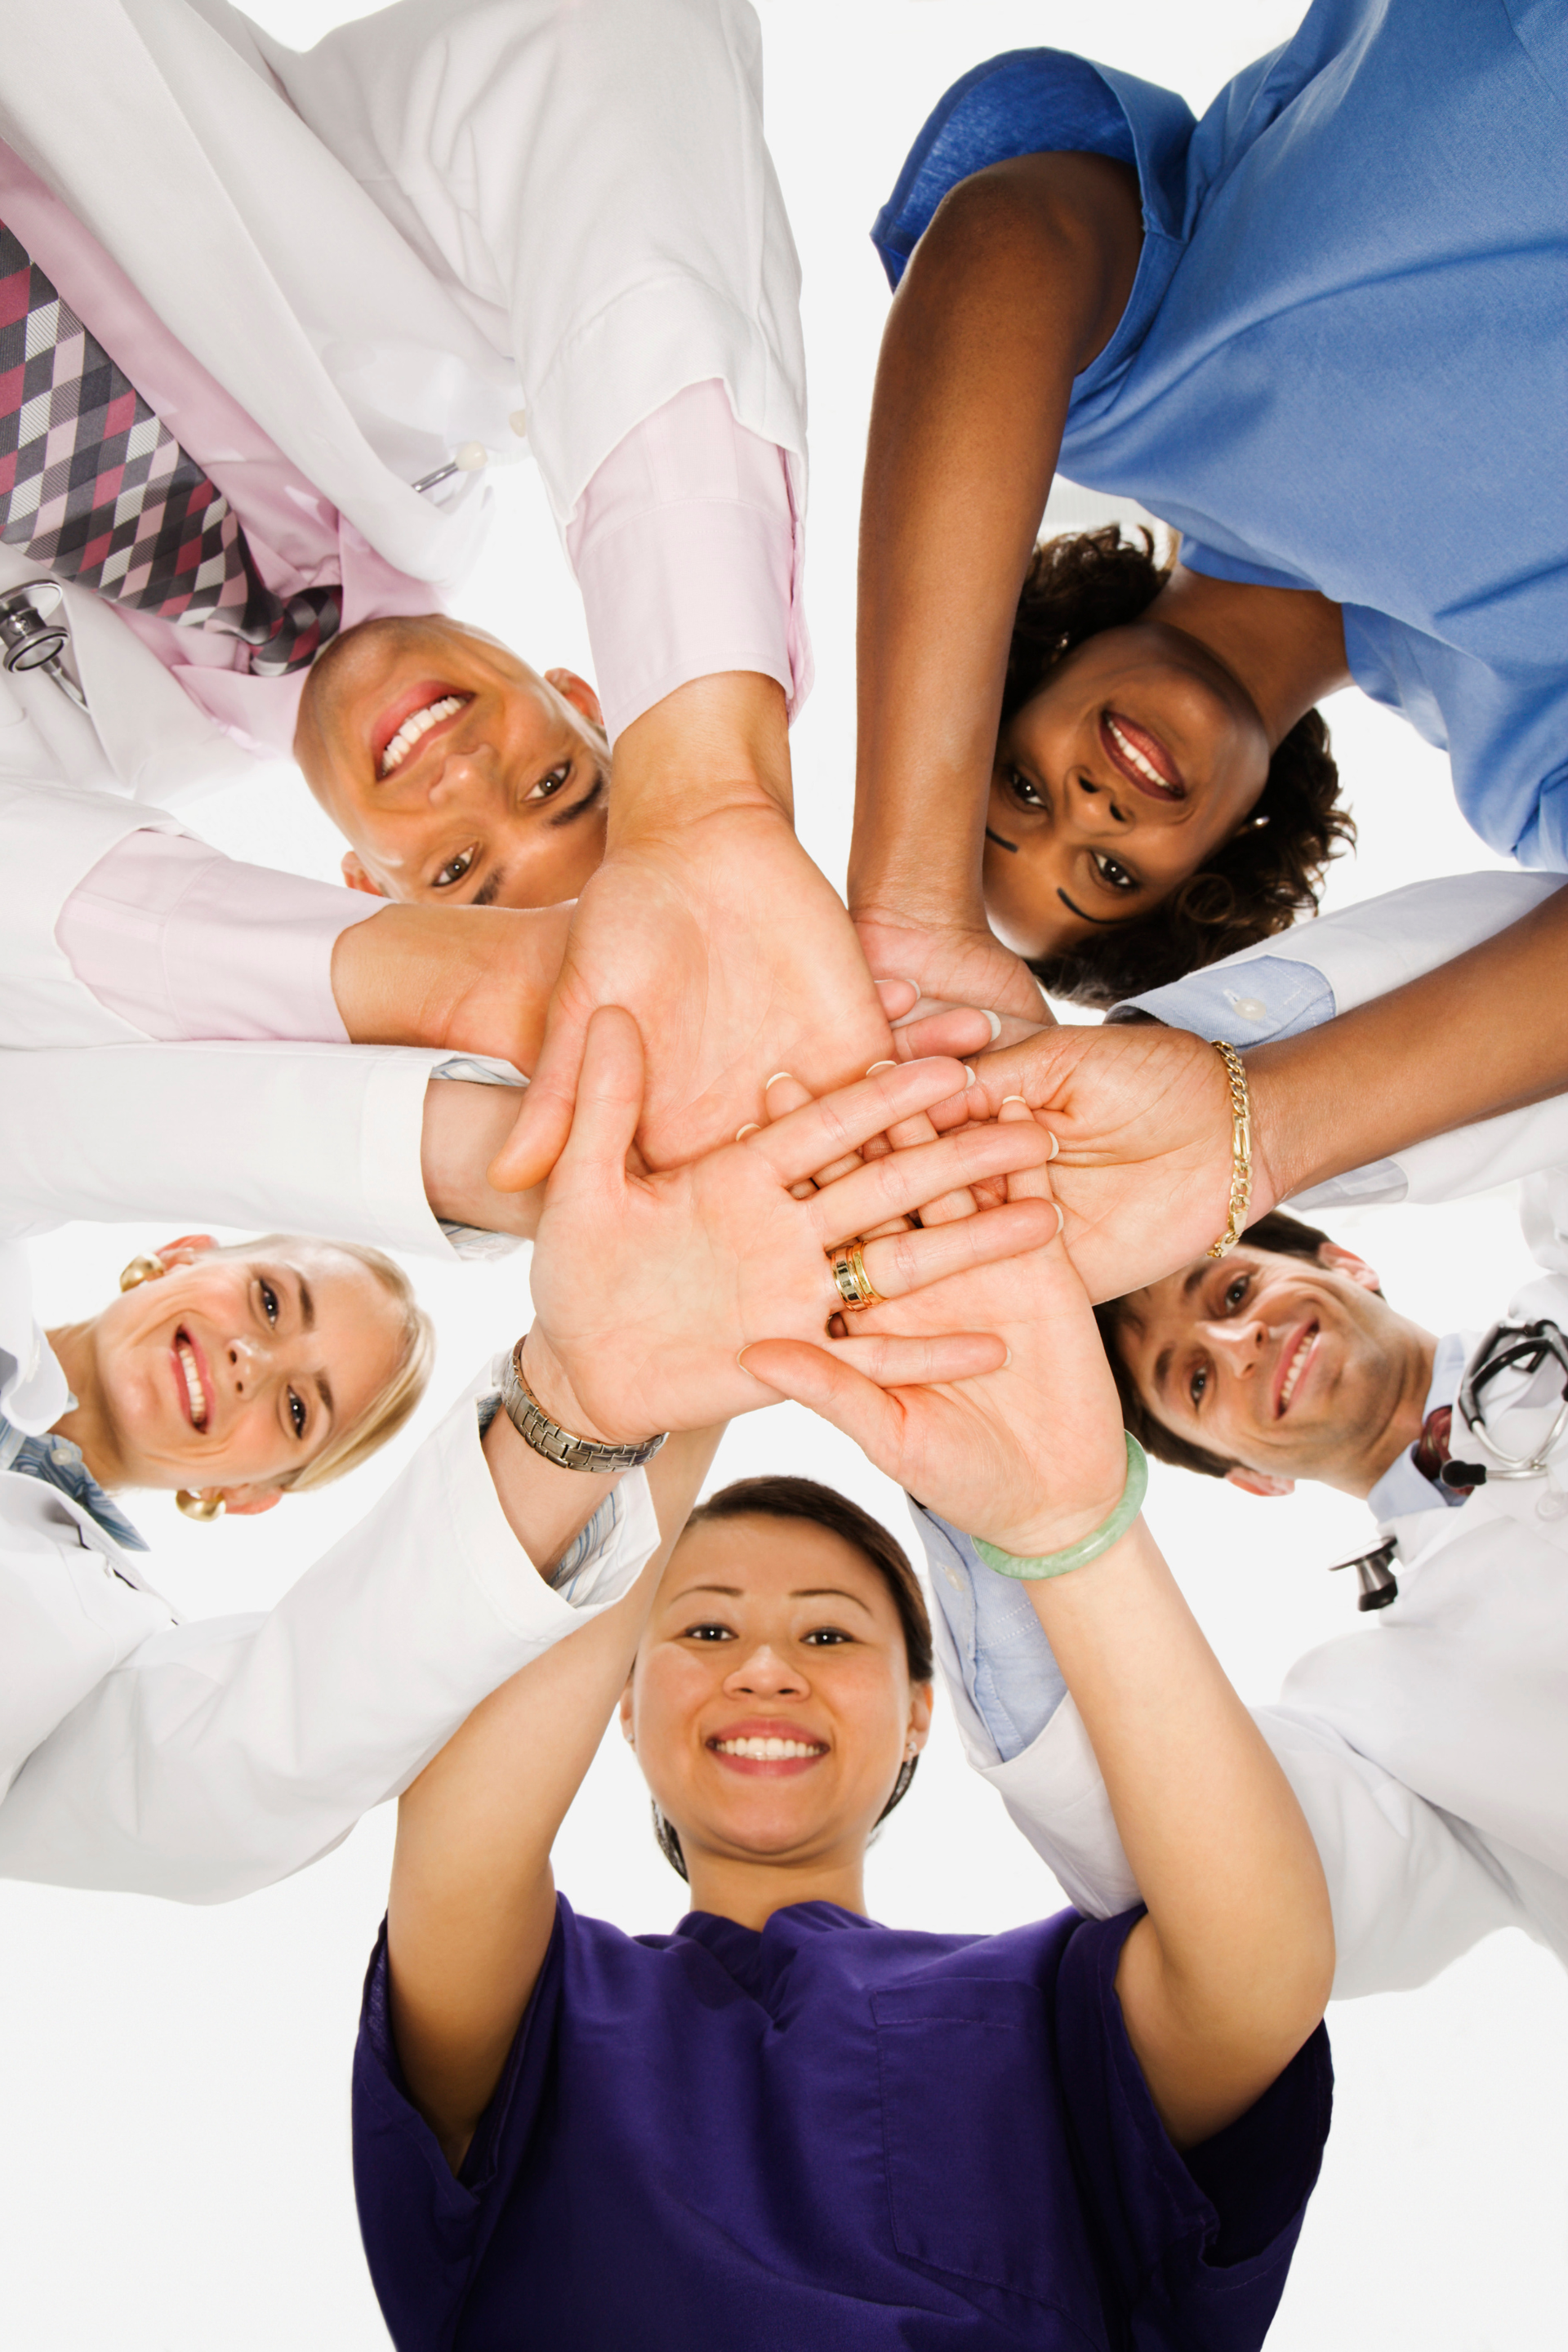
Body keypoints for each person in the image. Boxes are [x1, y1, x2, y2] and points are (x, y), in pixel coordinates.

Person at [354, 1072, 1332, 2350]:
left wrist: (1062, 1522)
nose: (766, 1667)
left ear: (922, 1710)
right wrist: (673, 1363)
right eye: (703, 1629)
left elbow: (1258, 1981)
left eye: (829, 1632)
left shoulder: (1045, 2006)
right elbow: (459, 1843)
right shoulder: (542, 1999)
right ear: (621, 1701)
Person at [3, 0, 895, 1181]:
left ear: (370, 889)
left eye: (461, 877)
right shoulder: (447, 350)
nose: (473, 780)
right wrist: (706, 793)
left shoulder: (63, 771)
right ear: (583, 690)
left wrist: (476, 988)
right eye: (560, 783)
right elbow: (621, 43)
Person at [0, 1045, 1035, 1900]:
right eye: (272, 1302)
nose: (250, 1361)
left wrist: (579, 1400)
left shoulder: (80, 1650)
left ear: (255, 1491)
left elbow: (244, 1775)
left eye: (299, 1408)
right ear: (182, 1252)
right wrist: (514, 1167)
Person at [904, 889, 1568, 1998]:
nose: (1239, 1336)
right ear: (1251, 1478)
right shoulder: (1384, 1719)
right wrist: (984, 1394)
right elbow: (1218, 1883)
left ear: (1346, 1261)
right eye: (1194, 1378)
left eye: (1233, 1282)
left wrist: (1210, 1122)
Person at [851, 0, 1566, 1014]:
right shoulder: (1531, 761)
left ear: (1019, 675)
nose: (1089, 809)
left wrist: (907, 898)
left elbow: (1003, 234)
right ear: (1215, 877)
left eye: (1019, 784)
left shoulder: (1122, 392)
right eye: (1111, 874)